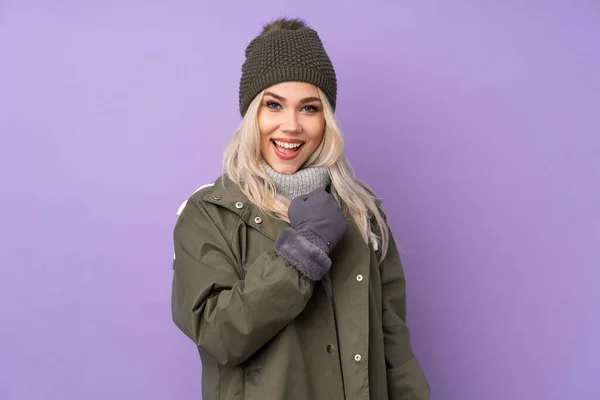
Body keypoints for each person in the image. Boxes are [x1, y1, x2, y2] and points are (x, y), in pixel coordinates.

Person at [171, 17, 430, 400]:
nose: (290, 126)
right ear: (251, 114)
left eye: (309, 108)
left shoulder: (362, 213)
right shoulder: (210, 214)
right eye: (273, 105)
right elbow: (218, 335)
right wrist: (303, 250)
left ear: (326, 119)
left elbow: (392, 341)